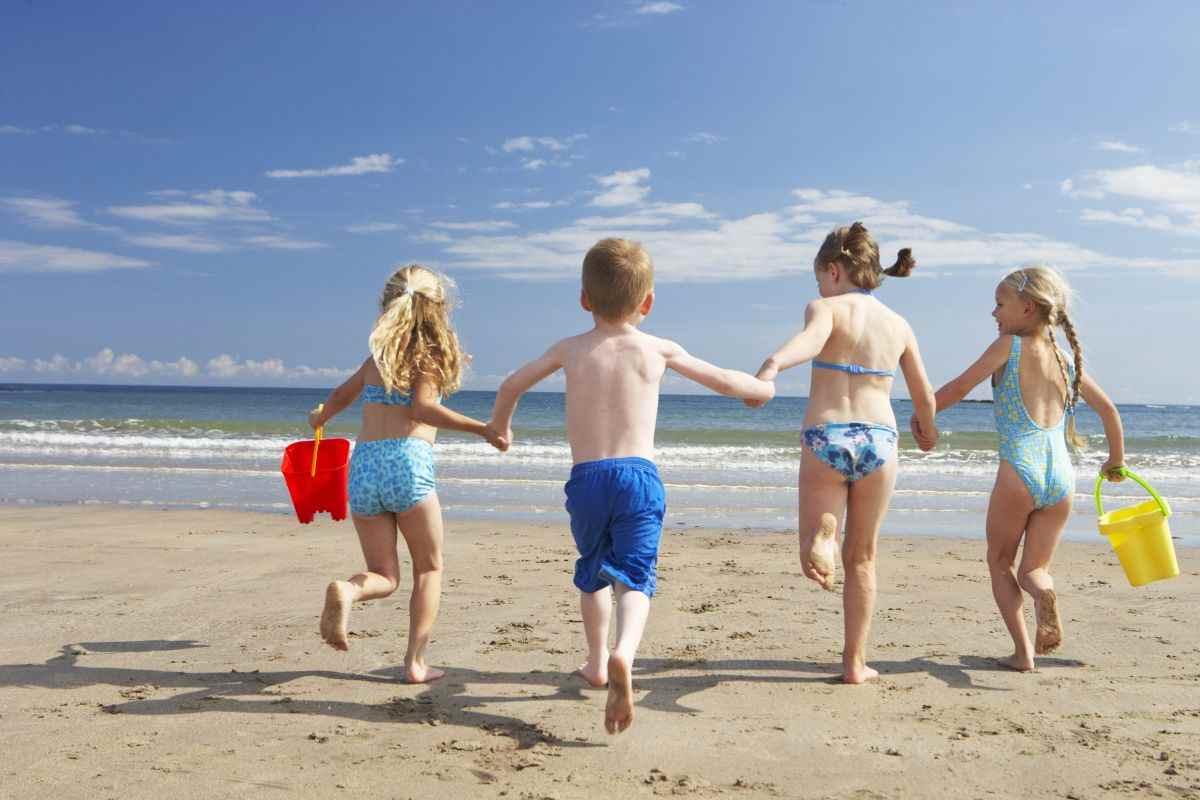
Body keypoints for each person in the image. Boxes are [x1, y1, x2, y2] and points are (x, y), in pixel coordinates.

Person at [490, 238, 774, 732]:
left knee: (594, 568)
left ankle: (597, 664)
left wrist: (501, 427)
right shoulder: (658, 348)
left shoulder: (570, 349)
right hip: (638, 478)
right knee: (636, 575)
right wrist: (763, 388)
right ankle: (625, 653)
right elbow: (727, 381)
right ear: (648, 303)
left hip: (586, 480)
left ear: (584, 299)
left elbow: (511, 383)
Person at [751, 221, 936, 684]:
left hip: (826, 435)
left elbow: (809, 343)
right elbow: (924, 394)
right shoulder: (899, 324)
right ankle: (855, 664)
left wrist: (773, 364)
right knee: (864, 558)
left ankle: (823, 534)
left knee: (812, 549)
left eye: (819, 278)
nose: (818, 288)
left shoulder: (826, 307)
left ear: (833, 271)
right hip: (881, 442)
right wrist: (927, 429)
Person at [921, 265, 1125, 671]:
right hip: (1062, 479)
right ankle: (1043, 591)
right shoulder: (1066, 361)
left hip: (1019, 471)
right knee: (1035, 570)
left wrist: (921, 419)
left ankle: (1022, 653)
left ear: (1027, 308)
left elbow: (958, 388)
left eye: (1000, 305)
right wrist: (1115, 460)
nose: (993, 314)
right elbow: (1109, 411)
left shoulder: (1008, 347)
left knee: (999, 562)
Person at [311, 265, 507, 683]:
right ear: (438, 310)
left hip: (363, 466)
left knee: (383, 575)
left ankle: (349, 589)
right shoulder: (429, 356)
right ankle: (416, 663)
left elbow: (340, 396)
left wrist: (322, 415)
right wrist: (482, 428)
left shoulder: (375, 359)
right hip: (407, 463)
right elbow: (422, 409)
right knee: (428, 569)